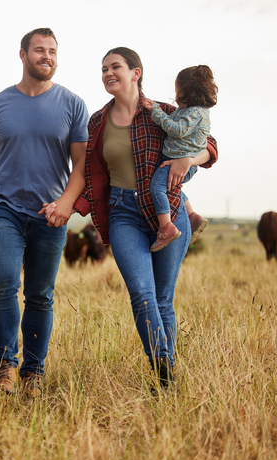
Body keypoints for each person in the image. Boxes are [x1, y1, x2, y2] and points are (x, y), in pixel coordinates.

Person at [72, 47, 218, 390]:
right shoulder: (97, 122)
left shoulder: (165, 113)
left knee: (164, 298)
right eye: (104, 68)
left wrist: (189, 161)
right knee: (142, 294)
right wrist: (70, 205)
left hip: (168, 211)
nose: (108, 72)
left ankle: (165, 384)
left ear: (136, 72)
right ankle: (164, 369)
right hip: (123, 213)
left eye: (116, 66)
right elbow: (86, 172)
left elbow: (209, 144)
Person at [0, 28, 89, 398]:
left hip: (51, 214)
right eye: (39, 50)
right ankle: (4, 366)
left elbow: (81, 165)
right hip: (4, 208)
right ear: (22, 55)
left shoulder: (72, 104)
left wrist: (66, 204)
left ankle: (33, 372)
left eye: (51, 51)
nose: (46, 56)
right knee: (2, 283)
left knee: (40, 295)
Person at [143, 65, 218, 252]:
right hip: (176, 159)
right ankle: (192, 216)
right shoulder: (190, 112)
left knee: (157, 188)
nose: (175, 95)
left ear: (188, 92)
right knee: (171, 187)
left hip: (178, 161)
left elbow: (177, 129)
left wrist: (157, 111)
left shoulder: (195, 113)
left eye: (177, 91)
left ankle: (166, 227)